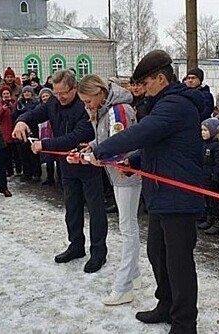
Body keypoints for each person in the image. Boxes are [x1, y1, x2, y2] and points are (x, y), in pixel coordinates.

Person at [91, 50, 205, 333]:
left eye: (146, 82)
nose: (141, 88)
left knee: (179, 263)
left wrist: (100, 149)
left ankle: (184, 323)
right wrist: (134, 161)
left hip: (179, 195)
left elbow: (143, 131)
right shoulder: (163, 103)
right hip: (160, 192)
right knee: (157, 253)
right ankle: (166, 304)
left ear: (161, 78)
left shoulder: (175, 104)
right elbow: (157, 143)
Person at [12, 70, 108, 274]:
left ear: (74, 88)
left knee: (95, 209)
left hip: (88, 164)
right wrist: (22, 121)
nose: (60, 97)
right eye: (56, 93)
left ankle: (99, 251)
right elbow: (35, 113)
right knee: (71, 208)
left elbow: (76, 137)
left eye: (64, 93)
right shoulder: (53, 103)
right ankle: (76, 245)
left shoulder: (85, 105)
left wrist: (43, 144)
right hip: (66, 166)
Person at [77, 74, 142, 306]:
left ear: (100, 92)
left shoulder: (119, 109)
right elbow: (105, 138)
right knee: (127, 226)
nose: (87, 106)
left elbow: (120, 144)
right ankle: (134, 275)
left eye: (88, 101)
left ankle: (124, 286)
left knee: (128, 228)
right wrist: (91, 147)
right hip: (117, 173)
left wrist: (92, 157)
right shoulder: (105, 109)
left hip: (127, 173)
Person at [197, 116, 219, 235]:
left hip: (214, 180)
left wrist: (215, 177)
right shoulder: (203, 144)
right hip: (204, 178)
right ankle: (209, 218)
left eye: (205, 130)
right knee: (207, 201)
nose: (202, 133)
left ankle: (218, 223)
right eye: (202, 130)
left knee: (215, 202)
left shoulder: (218, 146)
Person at [12, 85, 41, 182]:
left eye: (28, 92)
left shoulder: (36, 103)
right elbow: (14, 116)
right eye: (25, 92)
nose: (27, 93)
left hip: (33, 130)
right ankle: (26, 173)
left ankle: (36, 173)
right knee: (23, 154)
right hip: (21, 131)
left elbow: (36, 115)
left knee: (34, 153)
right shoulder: (19, 104)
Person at [0, 86, 21, 177]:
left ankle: (19, 170)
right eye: (4, 94)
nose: (6, 96)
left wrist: (11, 107)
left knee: (17, 153)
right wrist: (3, 109)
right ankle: (9, 170)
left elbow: (17, 114)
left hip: (14, 129)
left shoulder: (15, 104)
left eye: (7, 94)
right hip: (5, 132)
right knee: (7, 154)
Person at [37, 88, 58, 186]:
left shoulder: (55, 107)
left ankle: (59, 178)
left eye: (47, 95)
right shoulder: (39, 108)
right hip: (45, 135)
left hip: (55, 134)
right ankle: (50, 178)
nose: (45, 97)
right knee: (48, 158)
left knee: (57, 158)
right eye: (43, 96)